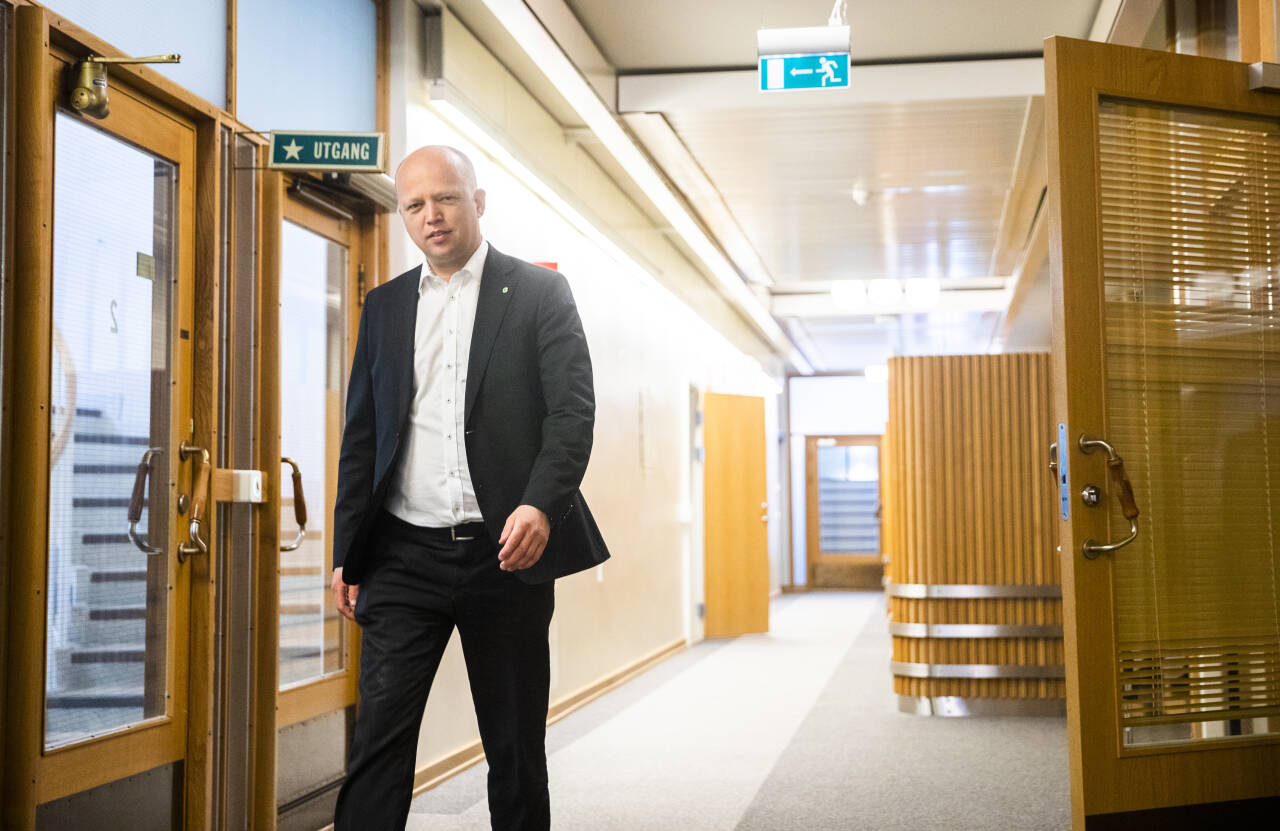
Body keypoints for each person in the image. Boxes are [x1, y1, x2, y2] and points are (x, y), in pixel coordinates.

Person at [329, 145, 610, 831]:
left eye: (446, 198)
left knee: (514, 746)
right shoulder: (386, 306)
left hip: (503, 559)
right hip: (402, 556)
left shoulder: (541, 294)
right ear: (403, 215)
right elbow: (362, 437)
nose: (433, 216)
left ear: (477, 202)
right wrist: (346, 551)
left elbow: (572, 414)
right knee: (378, 744)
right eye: (416, 204)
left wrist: (542, 503)